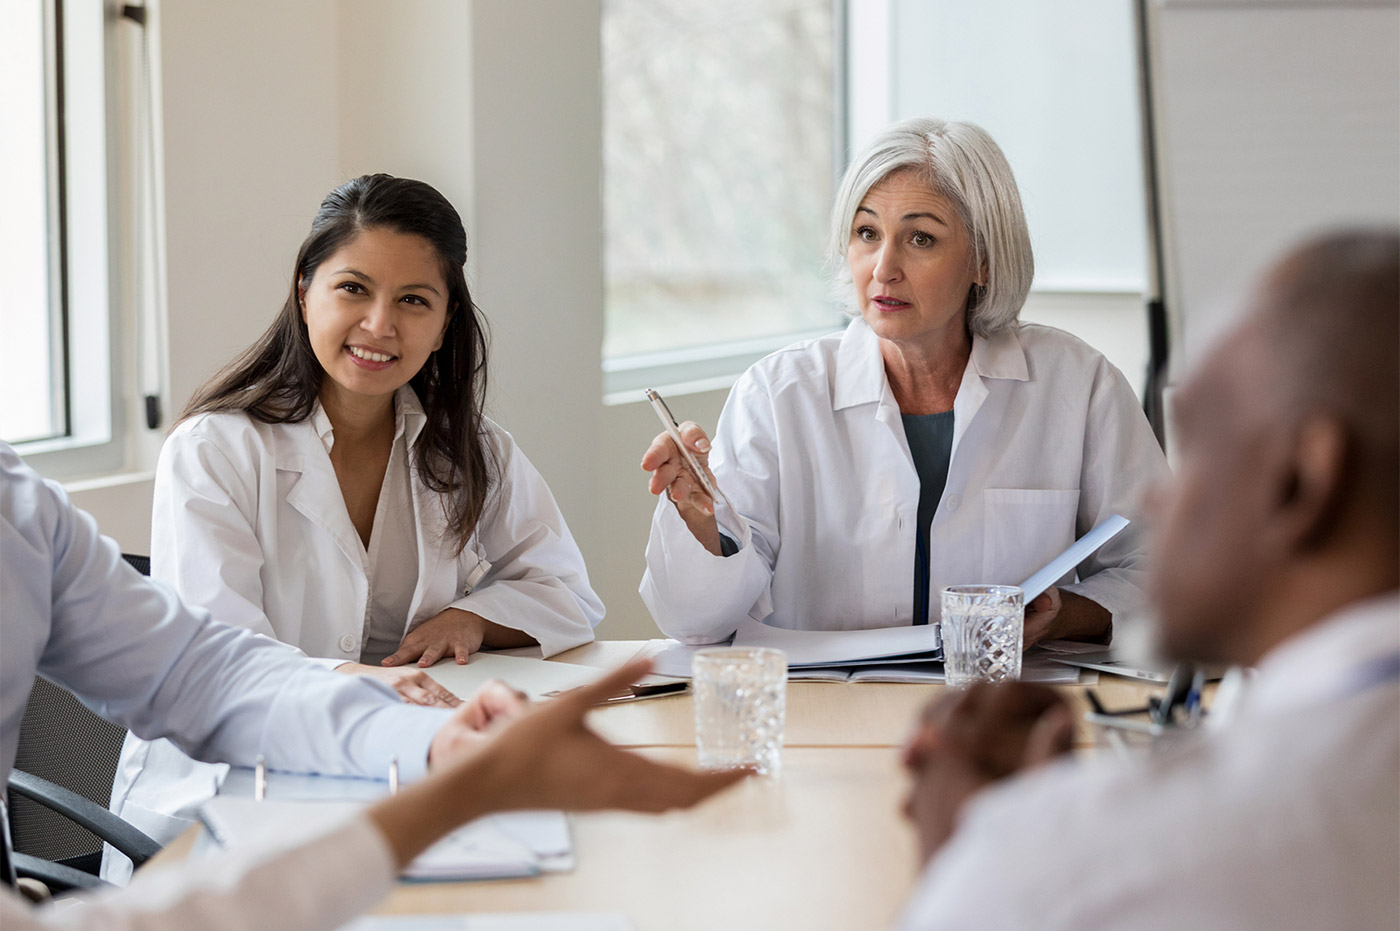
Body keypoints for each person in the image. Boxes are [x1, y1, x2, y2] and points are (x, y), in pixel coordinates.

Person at [0, 444, 743, 929]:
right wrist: (448, 798)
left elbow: (199, 670)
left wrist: (440, 740)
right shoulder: (218, 446)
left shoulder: (19, 508)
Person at [896, 229, 1399, 929]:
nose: (1161, 498)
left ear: (1302, 479)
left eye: (1199, 446)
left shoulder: (1090, 858)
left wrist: (982, 864)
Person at [106, 174, 603, 873]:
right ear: (305, 288)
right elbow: (219, 659)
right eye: (353, 289)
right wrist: (364, 680)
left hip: (392, 778)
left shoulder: (473, 450)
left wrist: (473, 615)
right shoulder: (215, 449)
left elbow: (569, 593)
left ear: (445, 321)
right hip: (224, 797)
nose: (380, 325)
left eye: (412, 300)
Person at [639, 117, 1166, 646]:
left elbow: (1165, 570)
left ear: (983, 259)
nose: (883, 267)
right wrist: (697, 517)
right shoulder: (778, 393)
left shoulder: (1078, 384)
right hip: (826, 714)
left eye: (920, 238)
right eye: (867, 233)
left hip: (995, 708)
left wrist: (1064, 615)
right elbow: (696, 624)